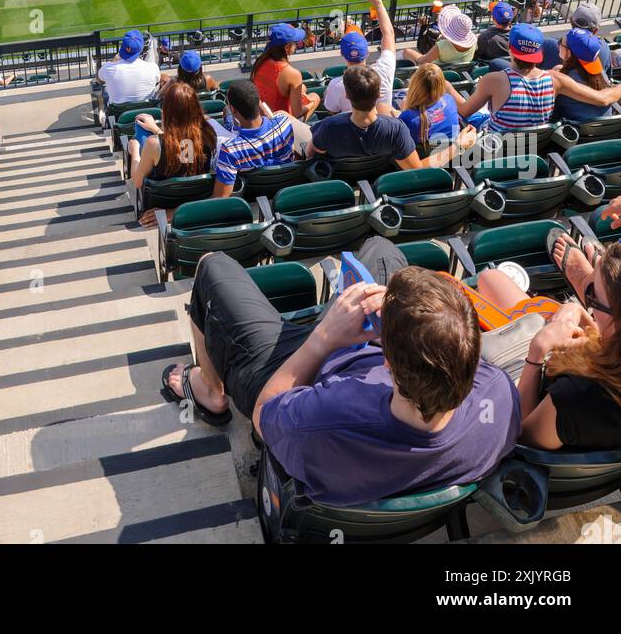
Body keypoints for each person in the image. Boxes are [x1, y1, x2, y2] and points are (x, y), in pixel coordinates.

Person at [161, 249, 519, 506]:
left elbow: (263, 414)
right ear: (472, 352)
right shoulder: (499, 398)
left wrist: (324, 338)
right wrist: (405, 325)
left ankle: (210, 391)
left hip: (298, 368)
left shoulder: (323, 420)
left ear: (390, 364)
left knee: (212, 266)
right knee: (382, 249)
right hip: (364, 356)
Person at [476, 233, 621, 451]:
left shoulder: (580, 396)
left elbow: (522, 437)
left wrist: (537, 352)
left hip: (520, 387)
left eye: (592, 296)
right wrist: (590, 325)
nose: (587, 303)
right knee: (492, 279)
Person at [444, 25, 620, 137]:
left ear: (510, 48)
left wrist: (446, 85)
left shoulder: (492, 80)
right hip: (532, 144)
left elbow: (465, 111)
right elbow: (602, 98)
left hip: (493, 144)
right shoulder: (556, 78)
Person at [309, 65, 474, 170]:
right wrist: (458, 145)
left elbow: (311, 154)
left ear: (346, 95)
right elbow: (416, 168)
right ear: (380, 94)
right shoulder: (396, 128)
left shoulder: (328, 126)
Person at [128, 81, 218, 224]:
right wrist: (156, 130)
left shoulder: (153, 144)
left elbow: (137, 182)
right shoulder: (208, 135)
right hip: (196, 202)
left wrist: (135, 153)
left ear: (167, 111)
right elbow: (185, 151)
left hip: (161, 207)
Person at [213, 79, 312, 196]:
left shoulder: (230, 150)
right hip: (287, 188)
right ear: (259, 102)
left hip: (253, 196)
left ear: (234, 109)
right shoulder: (284, 122)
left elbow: (220, 197)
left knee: (227, 115)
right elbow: (271, 119)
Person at [324, 0, 395, 114]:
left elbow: (332, 112)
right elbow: (389, 34)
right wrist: (378, 3)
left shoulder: (336, 85)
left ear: (342, 55)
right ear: (368, 52)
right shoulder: (384, 70)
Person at [251, 22, 320, 120]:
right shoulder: (293, 74)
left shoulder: (260, 61)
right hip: (280, 124)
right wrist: (312, 102)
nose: (296, 45)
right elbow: (297, 113)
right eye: (295, 42)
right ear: (287, 47)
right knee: (315, 96)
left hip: (262, 117)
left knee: (303, 87)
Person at [553, 28, 620, 123]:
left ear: (568, 52)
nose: (558, 45)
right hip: (609, 131)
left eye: (560, 42)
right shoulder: (599, 73)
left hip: (580, 134)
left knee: (530, 138)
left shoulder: (561, 79)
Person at [95, 29, 161, 106]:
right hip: (145, 113)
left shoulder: (108, 68)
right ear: (141, 48)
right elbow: (157, 81)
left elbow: (99, 80)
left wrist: (113, 61)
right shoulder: (152, 68)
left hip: (117, 114)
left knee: (105, 89)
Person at [404, 5, 477, 66]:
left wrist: (422, 57)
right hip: (456, 71)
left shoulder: (442, 45)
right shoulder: (474, 43)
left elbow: (422, 62)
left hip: (437, 71)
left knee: (406, 51)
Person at [569, 3, 613, 75]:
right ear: (596, 30)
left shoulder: (554, 46)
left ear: (570, 21)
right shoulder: (604, 47)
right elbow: (607, 76)